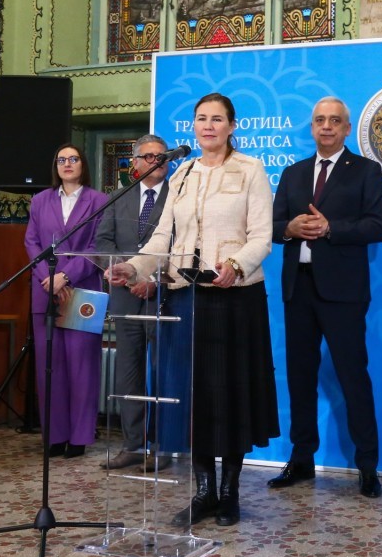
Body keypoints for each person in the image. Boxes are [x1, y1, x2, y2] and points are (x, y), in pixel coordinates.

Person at [107, 93, 278, 528]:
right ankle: (203, 492)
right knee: (195, 395)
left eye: (217, 119)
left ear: (232, 126)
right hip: (187, 296)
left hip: (235, 297)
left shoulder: (251, 169)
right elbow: (162, 237)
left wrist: (236, 264)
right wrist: (133, 266)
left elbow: (263, 236)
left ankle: (230, 493)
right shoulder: (182, 173)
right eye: (201, 118)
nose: (208, 126)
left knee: (231, 395)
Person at [269, 97, 382, 498]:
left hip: (344, 293)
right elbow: (272, 226)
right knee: (300, 378)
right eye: (320, 120)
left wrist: (330, 228)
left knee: (353, 377)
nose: (326, 126)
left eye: (334, 121)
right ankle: (302, 458)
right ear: (312, 127)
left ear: (346, 128)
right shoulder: (293, 173)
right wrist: (290, 228)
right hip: (298, 288)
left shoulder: (366, 171)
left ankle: (367, 466)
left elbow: (378, 226)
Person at [24, 144, 109, 459]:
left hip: (82, 290)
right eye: (61, 160)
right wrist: (49, 278)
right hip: (45, 289)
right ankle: (55, 436)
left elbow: (98, 246)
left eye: (73, 159)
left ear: (83, 164)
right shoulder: (40, 200)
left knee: (82, 368)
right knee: (51, 368)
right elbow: (31, 241)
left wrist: (65, 276)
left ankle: (79, 437)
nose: (67, 164)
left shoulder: (99, 201)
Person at [95, 134, 171, 470]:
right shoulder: (117, 198)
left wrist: (152, 280)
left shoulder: (178, 196)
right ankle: (133, 446)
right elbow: (103, 243)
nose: (158, 161)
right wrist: (128, 275)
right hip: (125, 297)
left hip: (163, 297)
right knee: (129, 372)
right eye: (150, 156)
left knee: (163, 372)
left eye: (162, 156)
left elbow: (181, 244)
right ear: (135, 163)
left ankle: (163, 446)